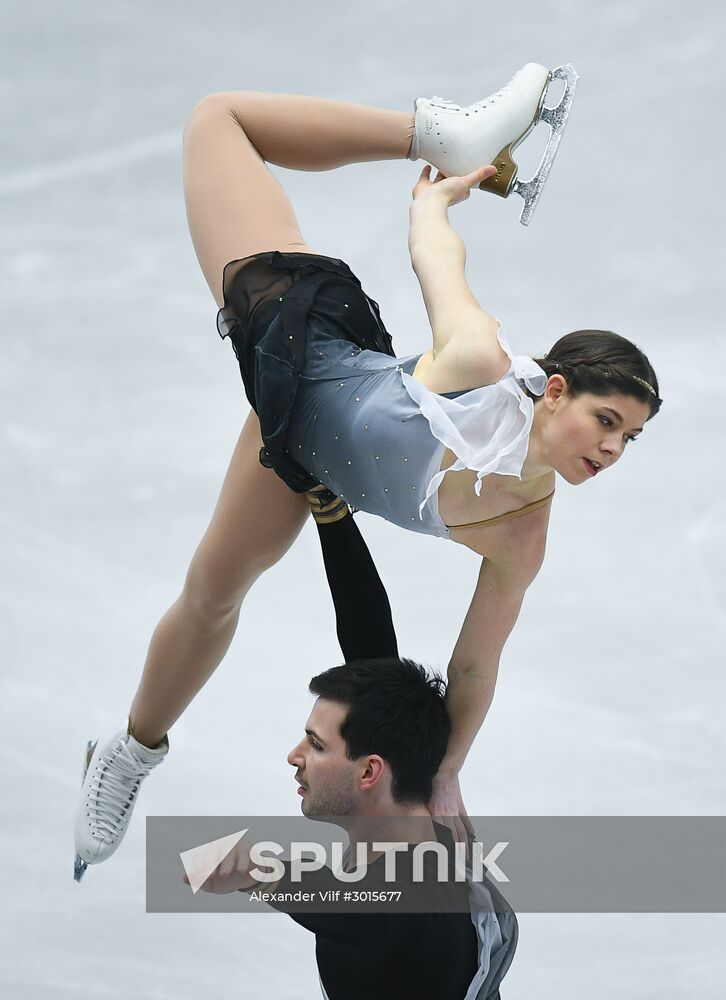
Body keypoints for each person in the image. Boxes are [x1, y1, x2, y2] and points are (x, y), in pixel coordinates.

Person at [74, 61, 662, 873]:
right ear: (554, 392)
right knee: (219, 121)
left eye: (629, 439)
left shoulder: (523, 534)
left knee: (213, 594)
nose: (611, 449)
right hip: (297, 328)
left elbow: (472, 664)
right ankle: (433, 130)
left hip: (299, 448)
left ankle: (130, 748)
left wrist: (444, 778)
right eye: (606, 421)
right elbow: (435, 258)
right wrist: (435, 192)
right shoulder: (480, 362)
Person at [184, 655, 518, 1000]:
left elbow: (370, 906)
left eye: (316, 745)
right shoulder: (415, 802)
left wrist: (263, 873)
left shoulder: (426, 904)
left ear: (368, 773)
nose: (294, 756)